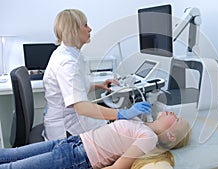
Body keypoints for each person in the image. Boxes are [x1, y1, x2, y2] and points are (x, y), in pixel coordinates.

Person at [43, 9, 150, 140]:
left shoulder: (68, 53)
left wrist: (99, 85)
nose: (90, 29)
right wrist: (121, 113)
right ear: (73, 30)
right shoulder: (68, 63)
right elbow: (81, 107)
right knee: (131, 132)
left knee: (129, 128)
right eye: (85, 25)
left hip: (74, 120)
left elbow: (74, 88)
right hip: (67, 131)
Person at [0, 111, 191, 169]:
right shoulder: (142, 122)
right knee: (12, 154)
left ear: (171, 135)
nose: (174, 113)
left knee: (12, 167)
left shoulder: (148, 138)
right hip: (72, 142)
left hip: (77, 157)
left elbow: (119, 167)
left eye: (177, 119)